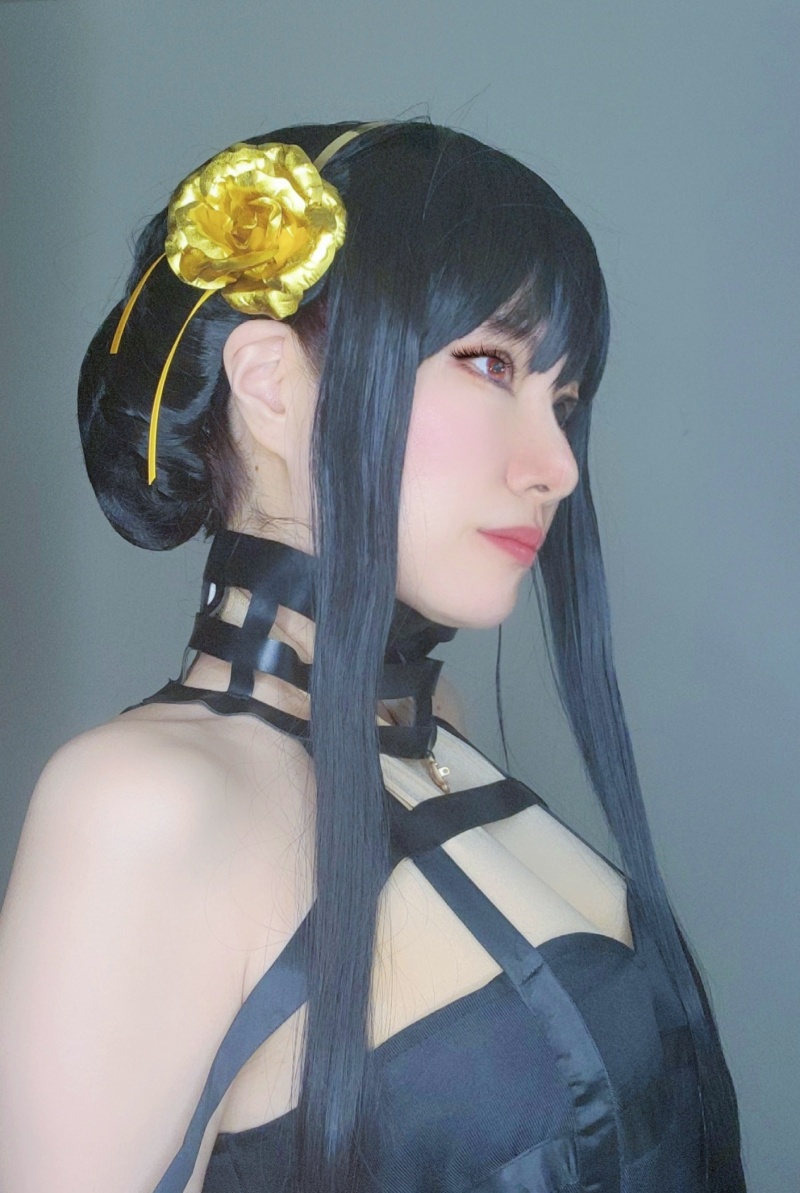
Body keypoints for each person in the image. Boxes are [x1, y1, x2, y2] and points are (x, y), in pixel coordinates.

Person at [0, 119, 745, 1193]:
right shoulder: (148, 808)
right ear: (270, 383)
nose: (556, 466)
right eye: (490, 362)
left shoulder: (430, 733)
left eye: (564, 400)